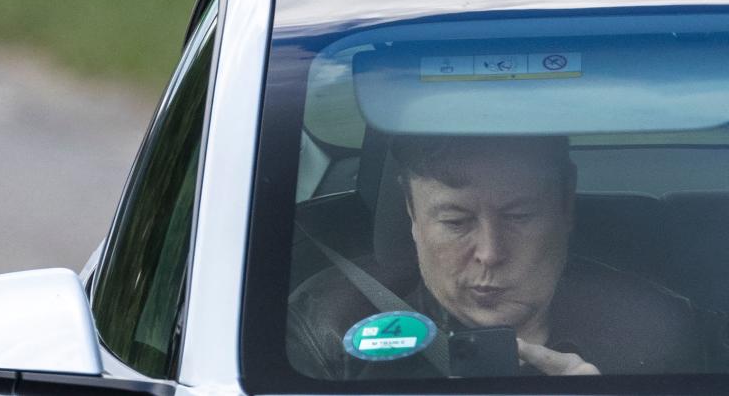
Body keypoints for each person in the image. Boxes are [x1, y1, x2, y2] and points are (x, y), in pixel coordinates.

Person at [287, 135, 705, 379]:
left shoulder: (652, 336)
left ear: (565, 207)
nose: (490, 252)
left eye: (519, 216)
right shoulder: (329, 332)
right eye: (455, 221)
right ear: (413, 215)